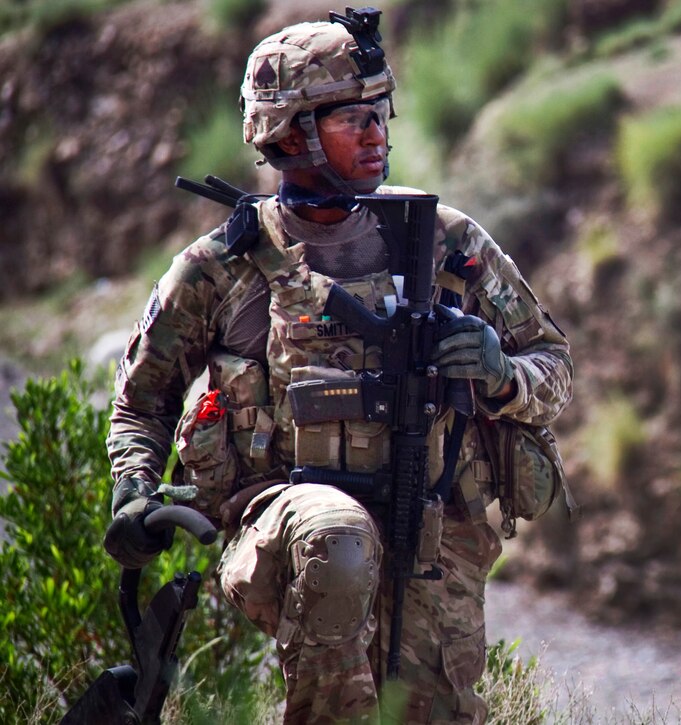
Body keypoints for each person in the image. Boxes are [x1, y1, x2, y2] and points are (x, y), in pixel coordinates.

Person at [102, 8, 572, 723]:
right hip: (283, 518)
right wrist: (134, 485)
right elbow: (144, 398)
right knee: (338, 540)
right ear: (289, 133)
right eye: (352, 118)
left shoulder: (447, 244)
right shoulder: (222, 265)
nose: (378, 132)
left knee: (432, 708)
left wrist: (501, 372)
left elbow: (554, 364)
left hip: (432, 524)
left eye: (380, 112)